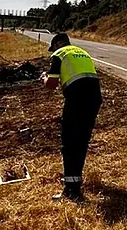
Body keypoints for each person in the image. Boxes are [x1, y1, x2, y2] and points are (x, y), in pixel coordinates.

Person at [41, 33, 102, 202]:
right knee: (81, 140)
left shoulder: (59, 54)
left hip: (77, 99)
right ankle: (75, 180)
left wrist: (44, 78)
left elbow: (51, 85)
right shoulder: (82, 52)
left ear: (58, 44)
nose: (52, 51)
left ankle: (71, 189)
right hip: (94, 98)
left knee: (69, 143)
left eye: (53, 47)